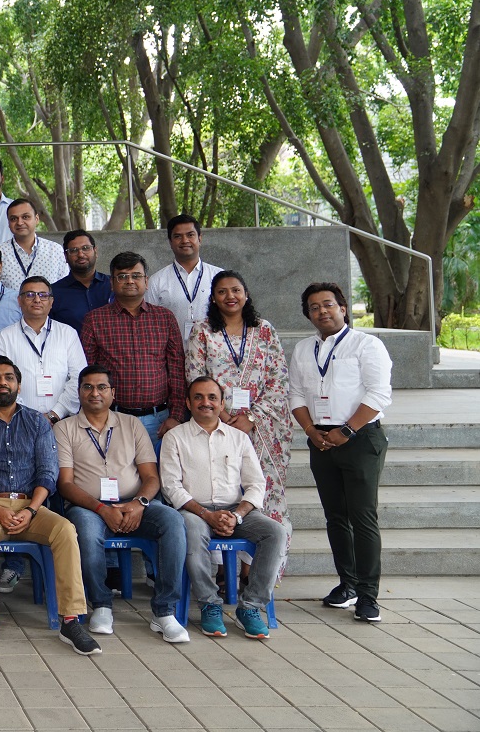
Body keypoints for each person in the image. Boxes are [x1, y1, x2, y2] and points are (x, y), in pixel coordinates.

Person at [0, 357, 101, 656]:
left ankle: (71, 620)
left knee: (65, 530)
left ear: (19, 385)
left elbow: (48, 474)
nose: (2, 382)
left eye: (8, 377)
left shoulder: (37, 423)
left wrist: (31, 510)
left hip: (30, 505)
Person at [53, 366, 190, 643]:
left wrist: (139, 504)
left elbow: (151, 477)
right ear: (79, 392)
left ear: (113, 393)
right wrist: (102, 509)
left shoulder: (132, 425)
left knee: (173, 521)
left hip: (134, 503)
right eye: (88, 387)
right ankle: (101, 605)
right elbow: (65, 484)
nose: (95, 393)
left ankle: (164, 612)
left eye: (102, 387)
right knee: (86, 532)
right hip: (89, 507)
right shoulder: (64, 428)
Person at [287, 282, 393, 623]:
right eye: (314, 307)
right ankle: (347, 584)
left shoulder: (367, 345)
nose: (322, 311)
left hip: (359, 438)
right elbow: (296, 394)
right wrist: (310, 431)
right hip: (320, 439)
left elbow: (379, 394)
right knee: (335, 516)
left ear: (343, 308)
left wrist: (347, 430)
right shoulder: (303, 349)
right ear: (308, 315)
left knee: (362, 517)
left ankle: (368, 595)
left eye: (328, 304)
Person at [159, 377, 286, 639]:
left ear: (222, 403)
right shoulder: (175, 437)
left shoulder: (239, 438)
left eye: (212, 397)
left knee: (275, 532)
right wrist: (207, 515)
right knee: (191, 531)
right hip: (194, 511)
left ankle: (250, 607)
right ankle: (209, 603)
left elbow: (255, 484)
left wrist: (237, 515)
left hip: (235, 510)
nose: (205, 402)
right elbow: (171, 486)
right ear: (188, 403)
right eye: (198, 397)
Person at [187, 270, 294, 577]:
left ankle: (255, 570)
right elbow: (195, 375)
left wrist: (251, 417)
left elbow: (278, 379)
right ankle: (225, 570)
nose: (230, 296)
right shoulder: (203, 331)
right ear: (213, 298)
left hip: (264, 427)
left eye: (236, 290)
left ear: (246, 294)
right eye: (222, 291)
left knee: (265, 492)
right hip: (216, 425)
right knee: (224, 488)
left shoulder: (264, 330)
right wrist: (222, 417)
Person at [81, 251, 188, 451]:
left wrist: (176, 416)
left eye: (136, 276)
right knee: (115, 470)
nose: (129, 281)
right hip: (112, 418)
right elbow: (86, 371)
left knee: (158, 470)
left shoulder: (164, 318)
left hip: (159, 420)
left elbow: (176, 370)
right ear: (112, 283)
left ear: (146, 281)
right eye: (122, 276)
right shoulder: (94, 320)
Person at [0, 276, 88, 422]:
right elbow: (0, 380)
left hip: (63, 422)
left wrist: (55, 414)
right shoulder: (4, 337)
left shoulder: (68, 334)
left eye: (43, 295)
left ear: (51, 302)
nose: (37, 300)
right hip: (18, 421)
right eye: (30, 295)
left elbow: (79, 378)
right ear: (19, 301)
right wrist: (27, 416)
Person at [145, 215, 224, 341]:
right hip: (172, 352)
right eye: (178, 236)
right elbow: (148, 323)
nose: (185, 240)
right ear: (170, 242)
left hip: (213, 350)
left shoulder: (219, 276)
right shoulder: (156, 281)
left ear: (200, 238)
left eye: (190, 235)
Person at [50, 230, 113, 333]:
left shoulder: (113, 285)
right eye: (74, 250)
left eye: (86, 248)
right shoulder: (54, 292)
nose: (80, 254)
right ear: (66, 256)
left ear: (95, 251)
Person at [0, 199, 66, 290]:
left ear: (36, 219)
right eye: (13, 219)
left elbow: (64, 287)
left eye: (25, 217)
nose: (20, 222)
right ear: (8, 223)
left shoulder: (55, 250)